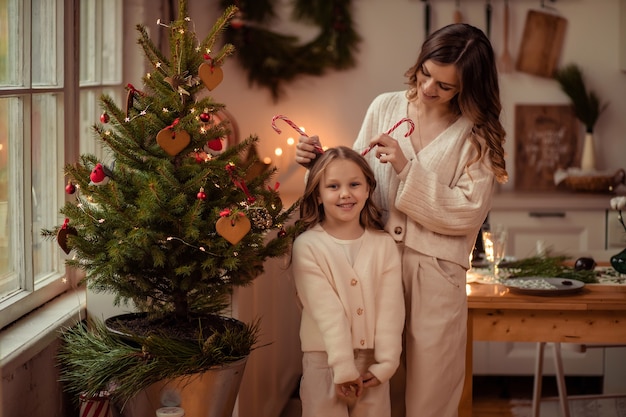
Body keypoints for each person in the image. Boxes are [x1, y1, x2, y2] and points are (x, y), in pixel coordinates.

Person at [295, 23, 508, 417]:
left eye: (444, 86)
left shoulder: (476, 136)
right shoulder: (385, 107)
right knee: (377, 385)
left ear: (469, 87)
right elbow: (353, 181)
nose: (429, 89)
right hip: (374, 263)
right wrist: (317, 162)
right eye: (426, 73)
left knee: (433, 391)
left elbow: (466, 213)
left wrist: (408, 170)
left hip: (436, 272)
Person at [291, 146, 405, 417]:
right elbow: (327, 311)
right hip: (324, 363)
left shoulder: (384, 245)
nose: (345, 194)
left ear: (368, 189)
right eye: (333, 186)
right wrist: (343, 368)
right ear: (318, 194)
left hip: (372, 366)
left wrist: (386, 364)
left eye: (354, 184)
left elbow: (391, 310)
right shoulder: (307, 245)